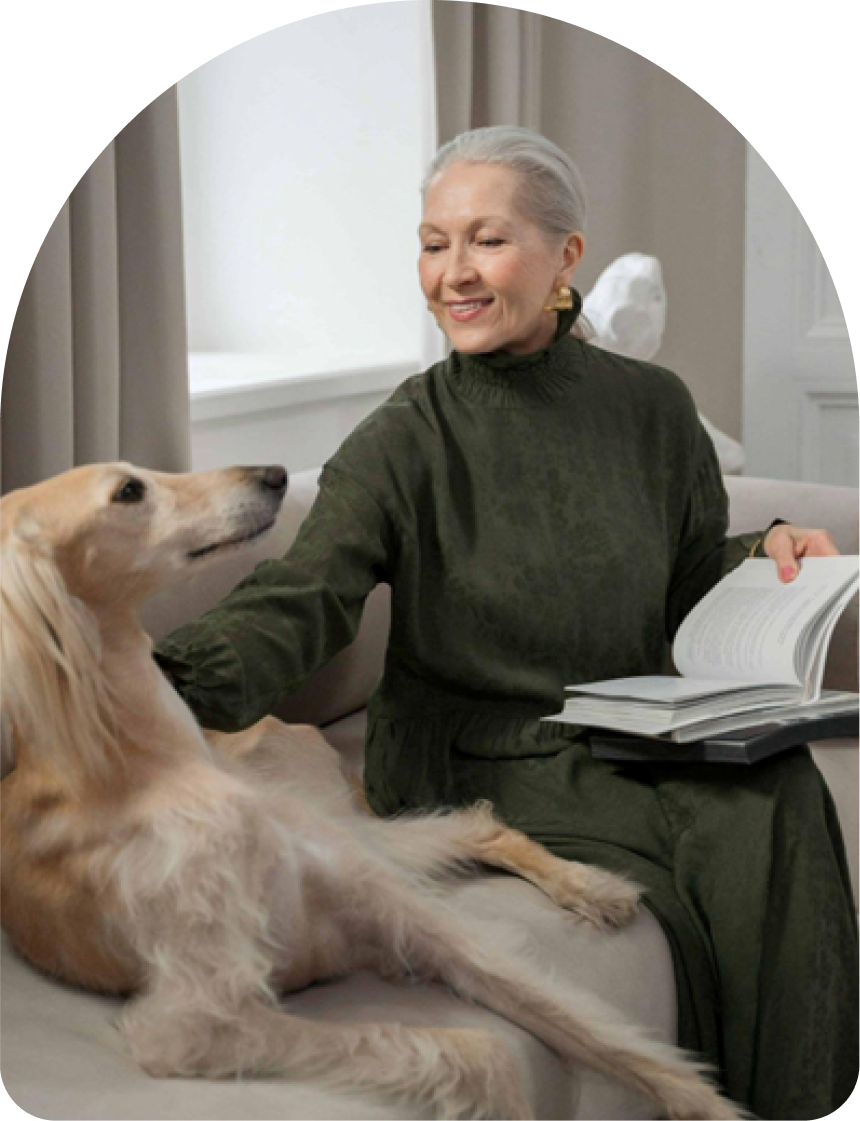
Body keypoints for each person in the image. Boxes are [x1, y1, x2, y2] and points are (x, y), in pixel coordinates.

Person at [155, 126, 859, 1119]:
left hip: (627, 721)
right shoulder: (405, 434)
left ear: (565, 255)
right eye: (432, 243)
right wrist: (163, 685)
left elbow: (687, 567)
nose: (452, 273)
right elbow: (306, 593)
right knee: (739, 824)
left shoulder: (654, 407)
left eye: (486, 240)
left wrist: (767, 552)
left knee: (778, 787)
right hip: (472, 748)